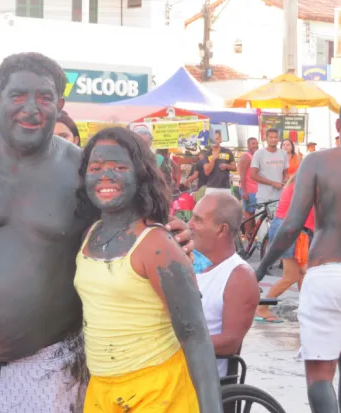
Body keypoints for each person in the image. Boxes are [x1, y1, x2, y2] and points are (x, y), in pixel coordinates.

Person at [0, 52, 195, 413]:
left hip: (50, 370)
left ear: (60, 104)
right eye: (17, 96)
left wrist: (173, 234)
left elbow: (139, 232)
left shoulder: (85, 173)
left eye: (44, 97)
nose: (31, 109)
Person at [75, 127, 223, 413]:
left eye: (119, 166)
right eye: (96, 167)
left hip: (157, 391)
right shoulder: (89, 235)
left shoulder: (157, 245)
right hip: (102, 390)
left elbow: (195, 336)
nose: (106, 175)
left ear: (140, 175)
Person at [257, 98, 341, 412]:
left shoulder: (316, 162)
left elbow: (291, 225)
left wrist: (261, 268)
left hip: (327, 272)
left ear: (338, 126)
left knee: (320, 377)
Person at [189, 193, 259, 377]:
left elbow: (230, 342)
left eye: (198, 219)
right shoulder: (187, 262)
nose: (190, 225)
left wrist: (173, 348)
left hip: (200, 380)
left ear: (221, 230)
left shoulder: (239, 276)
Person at [255, 172, 314, 323]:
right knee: (291, 276)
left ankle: (306, 308)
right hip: (290, 229)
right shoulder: (307, 184)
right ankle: (262, 307)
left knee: (303, 272)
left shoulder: (300, 181)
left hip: (290, 228)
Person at [250, 128, 288, 214]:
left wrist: (285, 181)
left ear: (279, 139)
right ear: (266, 138)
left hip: (278, 196)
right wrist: (273, 183)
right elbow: (252, 175)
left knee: (277, 224)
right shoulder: (259, 153)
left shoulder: (283, 153)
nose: (273, 140)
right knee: (262, 225)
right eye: (271, 137)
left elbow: (285, 172)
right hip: (263, 196)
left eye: (276, 137)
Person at [203, 130, 236, 195]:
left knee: (226, 205)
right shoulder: (207, 154)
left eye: (217, 139)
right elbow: (206, 172)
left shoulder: (228, 152)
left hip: (225, 188)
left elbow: (234, 168)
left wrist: (227, 166)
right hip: (211, 188)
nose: (215, 141)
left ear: (220, 139)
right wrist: (213, 159)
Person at [238, 137, 259, 235]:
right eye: (253, 144)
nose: (255, 145)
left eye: (256, 143)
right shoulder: (245, 157)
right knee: (248, 212)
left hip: (255, 189)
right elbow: (242, 175)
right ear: (248, 145)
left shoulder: (255, 156)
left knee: (253, 212)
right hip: (248, 188)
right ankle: (247, 233)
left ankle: (251, 232)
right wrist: (245, 191)